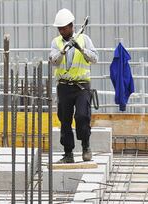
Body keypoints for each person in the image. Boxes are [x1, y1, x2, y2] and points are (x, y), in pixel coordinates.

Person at [49, 8, 99, 163]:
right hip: (64, 87)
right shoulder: (56, 42)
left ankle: (85, 145)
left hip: (82, 87)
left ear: (71, 26)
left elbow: (95, 58)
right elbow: (53, 61)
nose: (62, 31)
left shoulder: (84, 39)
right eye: (59, 29)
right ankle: (68, 153)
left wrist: (80, 49)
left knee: (82, 116)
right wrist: (62, 51)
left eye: (64, 28)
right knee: (65, 120)